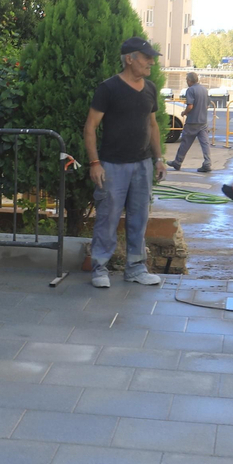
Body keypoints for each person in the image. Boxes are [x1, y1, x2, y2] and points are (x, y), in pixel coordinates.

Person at [84, 37, 168, 289]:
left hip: (142, 164)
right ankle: (100, 269)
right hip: (112, 165)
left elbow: (152, 125)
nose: (151, 62)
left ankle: (135, 269)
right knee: (108, 218)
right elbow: (90, 127)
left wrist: (159, 159)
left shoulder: (150, 88)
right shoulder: (108, 88)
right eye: (146, 58)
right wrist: (95, 163)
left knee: (139, 218)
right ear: (129, 59)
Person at [172, 71, 213, 173]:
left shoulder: (190, 90)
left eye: (187, 80)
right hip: (203, 121)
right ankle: (207, 163)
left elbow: (190, 106)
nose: (187, 82)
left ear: (190, 80)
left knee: (185, 143)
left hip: (192, 121)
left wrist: (184, 113)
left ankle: (177, 162)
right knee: (205, 143)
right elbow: (207, 105)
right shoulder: (204, 90)